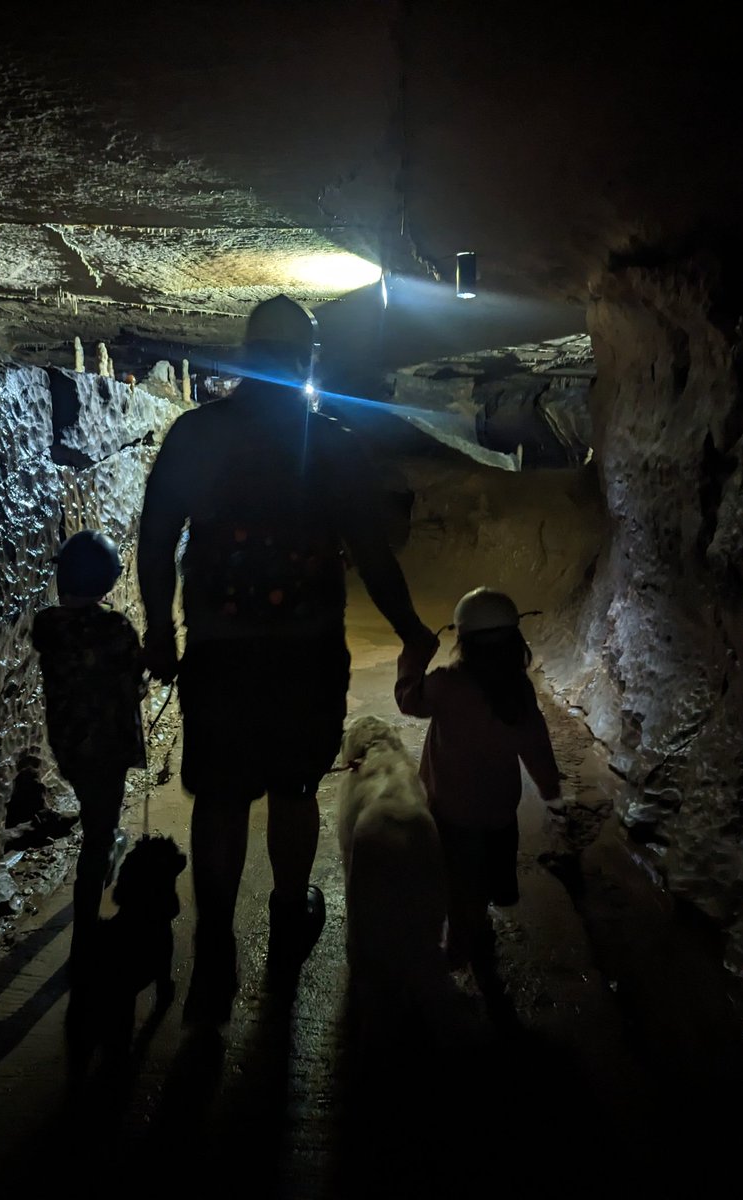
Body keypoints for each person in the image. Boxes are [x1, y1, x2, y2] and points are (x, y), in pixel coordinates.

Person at [137, 294, 434, 1021]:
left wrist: (158, 631)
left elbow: (155, 538)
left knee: (220, 796)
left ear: (242, 356)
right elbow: (371, 552)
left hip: (220, 651)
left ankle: (214, 943)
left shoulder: (195, 434)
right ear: (307, 362)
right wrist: (411, 630)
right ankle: (287, 909)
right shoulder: (332, 443)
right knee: (295, 789)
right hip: (304, 654)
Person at [395, 586, 562, 970]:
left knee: (456, 882)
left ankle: (457, 951)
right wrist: (549, 787)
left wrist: (413, 658)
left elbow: (408, 699)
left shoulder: (445, 684)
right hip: (499, 813)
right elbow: (536, 744)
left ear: (463, 641)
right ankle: (476, 924)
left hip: (450, 811)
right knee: (485, 876)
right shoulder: (518, 692)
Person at [32, 529, 147, 979]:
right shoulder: (116, 628)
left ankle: (106, 852)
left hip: (71, 748)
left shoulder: (46, 625)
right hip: (109, 748)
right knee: (97, 838)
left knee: (96, 815)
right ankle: (84, 940)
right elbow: (135, 682)